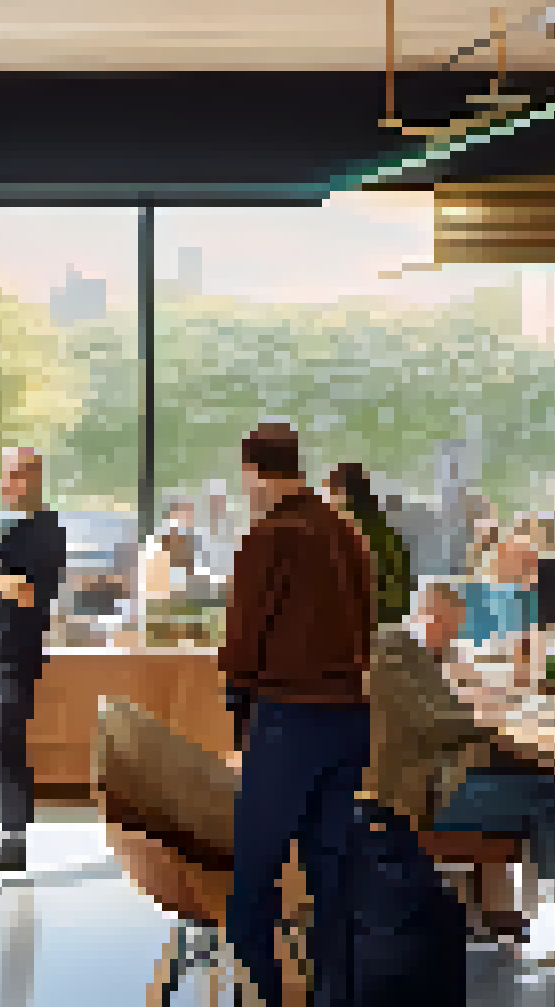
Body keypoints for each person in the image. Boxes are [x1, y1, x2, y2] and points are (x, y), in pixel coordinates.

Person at [220, 421, 374, 1007]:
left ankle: (259, 989)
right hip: (349, 716)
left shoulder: (271, 535)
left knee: (257, 862)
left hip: (290, 714)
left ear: (253, 472)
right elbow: (370, 621)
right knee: (330, 863)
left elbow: (244, 635)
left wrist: (237, 701)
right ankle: (335, 987)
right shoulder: (347, 532)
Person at [368, 563, 555, 959]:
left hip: (438, 776)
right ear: (430, 615)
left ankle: (532, 911)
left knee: (548, 783)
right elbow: (435, 722)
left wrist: (485, 714)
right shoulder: (395, 651)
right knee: (548, 797)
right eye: (451, 628)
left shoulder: (416, 653)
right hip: (421, 793)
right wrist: (491, 722)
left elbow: (445, 714)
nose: (453, 638)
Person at [0, 446, 66, 873]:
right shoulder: (19, 529)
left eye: (12, 476)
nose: (4, 485)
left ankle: (13, 841)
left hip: (13, 654)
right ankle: (9, 834)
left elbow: (33, 592)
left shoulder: (43, 531)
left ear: (30, 478)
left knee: (3, 743)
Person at [329, 462, 413, 628]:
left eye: (332, 492)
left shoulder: (348, 529)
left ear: (342, 493)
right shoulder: (387, 528)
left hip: (366, 622)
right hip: (391, 620)